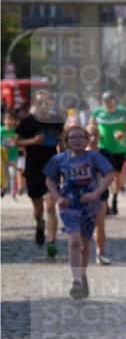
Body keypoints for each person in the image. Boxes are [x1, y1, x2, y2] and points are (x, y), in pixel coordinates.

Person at [43, 125, 115, 298]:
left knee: (85, 245)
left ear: (87, 140)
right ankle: (76, 281)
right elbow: (49, 180)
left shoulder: (94, 157)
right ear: (66, 141)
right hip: (69, 206)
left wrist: (96, 193)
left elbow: (110, 175)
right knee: (75, 241)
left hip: (90, 206)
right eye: (73, 137)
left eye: (81, 137)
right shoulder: (59, 159)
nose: (77, 140)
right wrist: (58, 197)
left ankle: (83, 274)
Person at [15, 91, 64, 255]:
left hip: (52, 168)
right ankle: (40, 224)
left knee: (51, 206)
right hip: (33, 168)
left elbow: (62, 143)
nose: (44, 105)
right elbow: (16, 142)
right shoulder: (27, 122)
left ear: (51, 103)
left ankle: (51, 242)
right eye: (40, 102)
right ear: (35, 104)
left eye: (46, 101)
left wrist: (65, 163)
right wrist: (33, 141)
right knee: (38, 211)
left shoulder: (57, 121)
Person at [91, 92, 126, 216]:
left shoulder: (123, 112)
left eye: (110, 100)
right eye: (105, 100)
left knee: (117, 177)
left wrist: (124, 134)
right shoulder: (97, 112)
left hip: (119, 149)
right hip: (103, 149)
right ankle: (105, 202)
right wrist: (95, 134)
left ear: (115, 101)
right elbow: (91, 127)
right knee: (103, 176)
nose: (108, 103)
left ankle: (115, 199)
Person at [85, 124, 112, 265]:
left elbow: (111, 174)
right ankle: (83, 252)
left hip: (101, 193)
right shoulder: (79, 153)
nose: (93, 138)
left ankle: (100, 253)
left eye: (95, 134)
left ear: (99, 136)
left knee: (100, 224)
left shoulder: (105, 153)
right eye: (90, 135)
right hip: (82, 194)